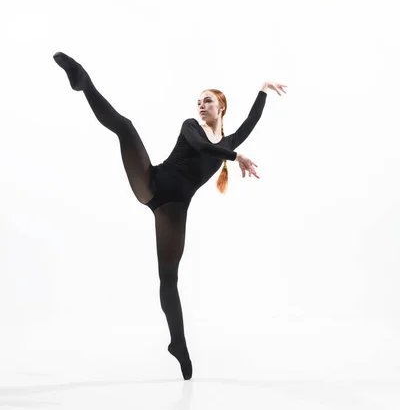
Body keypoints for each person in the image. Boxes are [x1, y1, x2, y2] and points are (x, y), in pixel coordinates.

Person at [53, 52, 287, 380]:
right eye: (199, 101)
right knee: (125, 127)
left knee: (169, 279)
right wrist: (236, 156)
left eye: (207, 101)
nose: (201, 105)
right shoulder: (191, 126)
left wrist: (262, 89)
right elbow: (201, 147)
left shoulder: (230, 140)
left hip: (173, 211)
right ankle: (83, 82)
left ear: (221, 107)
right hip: (150, 182)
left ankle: (178, 344)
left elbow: (249, 123)